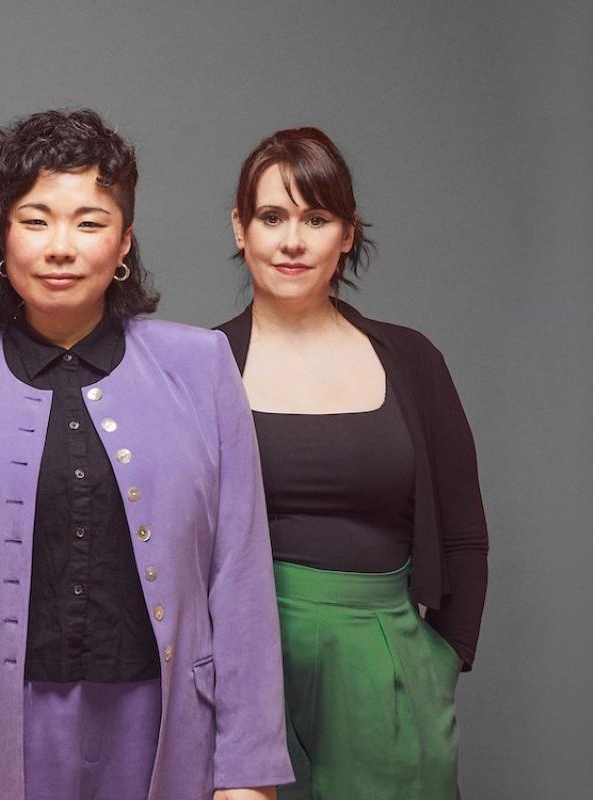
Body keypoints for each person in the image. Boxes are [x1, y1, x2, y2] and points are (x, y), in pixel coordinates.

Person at [0, 108, 293, 800]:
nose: (60, 247)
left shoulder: (201, 366)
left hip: (165, 726)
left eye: (89, 223)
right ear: (1, 239)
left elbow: (241, 573)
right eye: (35, 220)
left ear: (124, 242)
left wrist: (248, 773)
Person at [216, 127, 489, 799]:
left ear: (346, 233)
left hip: (384, 661)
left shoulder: (412, 359)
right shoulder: (199, 364)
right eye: (272, 216)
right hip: (238, 661)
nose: (292, 240)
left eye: (316, 217)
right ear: (241, 229)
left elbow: (463, 533)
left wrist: (439, 660)